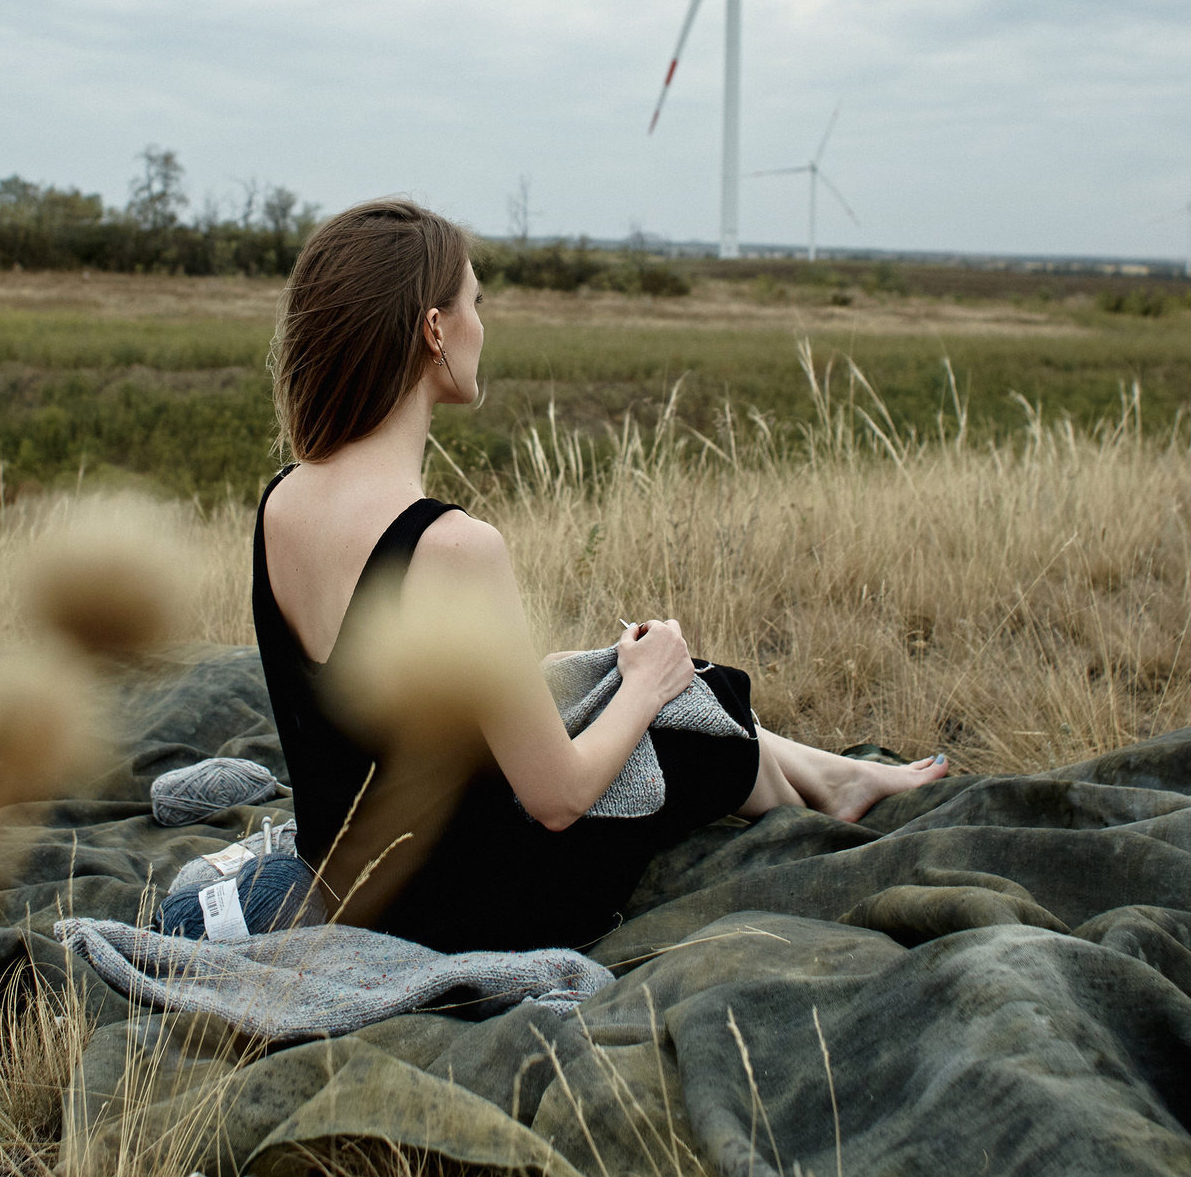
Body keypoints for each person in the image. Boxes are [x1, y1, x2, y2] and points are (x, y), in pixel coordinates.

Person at [254, 198, 946, 954]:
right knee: (691, 709)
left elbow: (353, 729)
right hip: (479, 911)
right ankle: (830, 790)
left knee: (604, 680)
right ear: (434, 329)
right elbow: (558, 799)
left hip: (356, 890)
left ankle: (830, 777)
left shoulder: (281, 503)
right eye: (475, 303)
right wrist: (650, 681)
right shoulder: (455, 547)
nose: (483, 324)